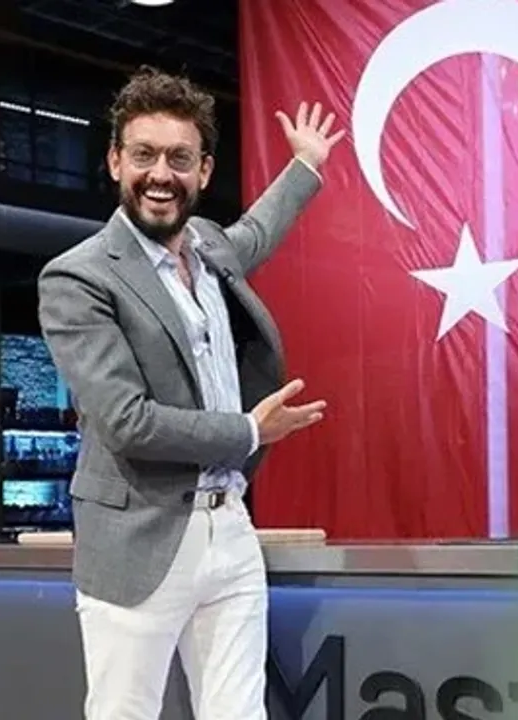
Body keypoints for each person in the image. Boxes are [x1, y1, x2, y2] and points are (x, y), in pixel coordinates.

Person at [37, 66, 344, 720]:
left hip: (229, 528)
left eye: (179, 159)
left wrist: (306, 167)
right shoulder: (77, 278)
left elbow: (256, 232)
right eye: (143, 155)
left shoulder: (208, 248)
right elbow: (127, 422)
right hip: (136, 540)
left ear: (203, 171)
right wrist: (250, 431)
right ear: (115, 161)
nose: (160, 174)